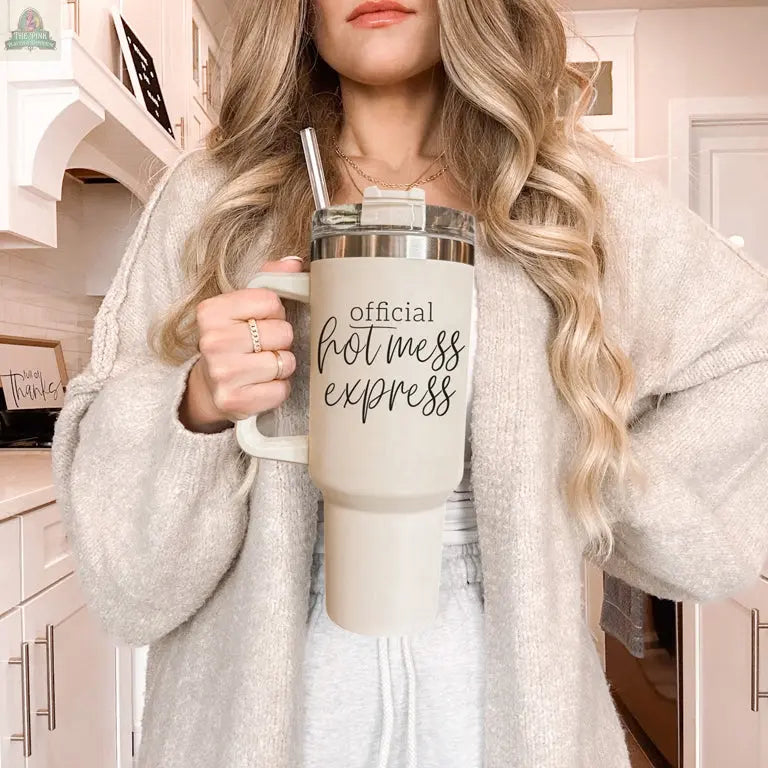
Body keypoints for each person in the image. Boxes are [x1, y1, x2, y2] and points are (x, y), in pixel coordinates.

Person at [50, 1, 768, 767]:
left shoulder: (567, 194)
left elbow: (747, 354)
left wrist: (584, 474)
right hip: (265, 713)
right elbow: (129, 586)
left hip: (504, 710)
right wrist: (197, 404)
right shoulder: (215, 196)